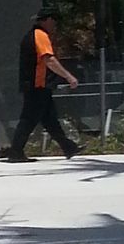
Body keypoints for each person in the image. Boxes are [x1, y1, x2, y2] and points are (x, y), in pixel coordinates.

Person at [7, 13, 80, 161]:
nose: (54, 25)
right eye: (53, 21)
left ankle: (68, 147)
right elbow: (48, 59)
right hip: (37, 84)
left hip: (38, 85)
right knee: (28, 119)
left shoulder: (33, 35)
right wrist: (68, 76)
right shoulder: (40, 35)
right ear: (46, 20)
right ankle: (15, 152)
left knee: (50, 119)